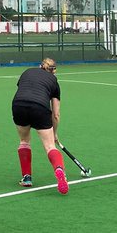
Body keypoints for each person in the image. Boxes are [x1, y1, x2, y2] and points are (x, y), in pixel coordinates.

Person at [11, 57, 70, 194]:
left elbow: (24, 90)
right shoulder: (54, 81)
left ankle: (27, 178)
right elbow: (56, 114)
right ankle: (59, 170)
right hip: (39, 107)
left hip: (18, 105)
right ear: (53, 71)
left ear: (40, 66)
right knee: (50, 146)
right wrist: (54, 133)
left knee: (24, 141)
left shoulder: (27, 71)